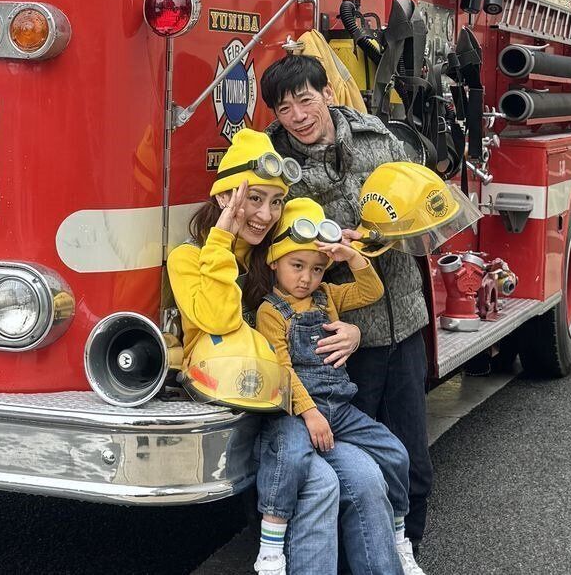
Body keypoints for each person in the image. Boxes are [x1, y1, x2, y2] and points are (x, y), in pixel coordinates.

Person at [167, 128, 403, 575]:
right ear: (224, 196)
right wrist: (221, 239)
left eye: (276, 201)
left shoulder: (272, 254)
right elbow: (220, 318)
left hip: (296, 403)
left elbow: (332, 296)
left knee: (370, 477)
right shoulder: (190, 256)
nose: (265, 214)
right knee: (321, 484)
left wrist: (352, 332)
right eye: (254, 199)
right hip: (248, 410)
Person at [261, 55, 433, 551]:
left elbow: (422, 214)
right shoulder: (275, 167)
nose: (298, 116)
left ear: (328, 94)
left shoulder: (378, 139)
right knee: (346, 467)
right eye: (285, 108)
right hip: (332, 345)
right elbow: (267, 251)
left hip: (401, 322)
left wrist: (378, 237)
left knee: (411, 460)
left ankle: (406, 550)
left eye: (305, 100)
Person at [253, 197, 424, 575]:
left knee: (396, 454)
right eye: (297, 266)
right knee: (290, 459)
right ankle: (270, 548)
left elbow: (371, 291)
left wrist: (352, 257)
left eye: (317, 268)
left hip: (341, 410)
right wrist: (310, 413)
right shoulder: (271, 312)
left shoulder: (327, 297)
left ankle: (399, 535)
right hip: (298, 412)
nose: (306, 278)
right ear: (274, 262)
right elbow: (282, 370)